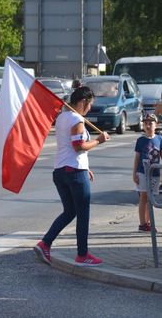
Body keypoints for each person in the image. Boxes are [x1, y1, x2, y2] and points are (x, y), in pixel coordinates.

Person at [34, 86, 109, 266]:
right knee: (82, 214)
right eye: (90, 104)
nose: (90, 108)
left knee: (70, 211)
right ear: (83, 102)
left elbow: (70, 148)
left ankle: (45, 243)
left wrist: (86, 167)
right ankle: (82, 254)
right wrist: (99, 140)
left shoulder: (62, 117)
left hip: (61, 170)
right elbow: (78, 146)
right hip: (74, 172)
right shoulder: (77, 119)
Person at [132, 114, 162, 232]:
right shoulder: (140, 140)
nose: (148, 125)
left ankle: (149, 221)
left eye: (150, 123)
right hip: (142, 172)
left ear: (156, 125)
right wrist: (134, 173)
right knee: (143, 197)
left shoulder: (160, 139)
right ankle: (143, 223)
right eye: (145, 123)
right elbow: (137, 158)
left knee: (151, 199)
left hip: (155, 173)